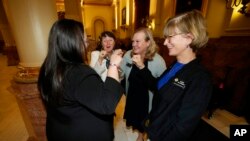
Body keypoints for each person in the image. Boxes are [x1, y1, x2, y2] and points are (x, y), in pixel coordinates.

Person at [37, 19, 124, 141]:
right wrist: (113, 65)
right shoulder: (78, 72)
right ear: (73, 43)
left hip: (60, 130)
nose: (87, 44)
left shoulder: (47, 67)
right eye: (84, 41)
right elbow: (107, 103)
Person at [134, 10, 213, 141]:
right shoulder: (175, 65)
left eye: (170, 37)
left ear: (189, 37)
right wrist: (146, 131)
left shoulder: (200, 79)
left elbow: (182, 128)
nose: (165, 43)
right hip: (153, 129)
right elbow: (158, 88)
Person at [120, 27, 166, 141]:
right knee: (136, 121)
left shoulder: (158, 61)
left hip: (147, 102)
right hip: (132, 97)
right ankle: (141, 134)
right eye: (133, 41)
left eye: (138, 41)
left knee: (144, 122)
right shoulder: (128, 55)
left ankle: (142, 136)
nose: (134, 44)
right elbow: (122, 74)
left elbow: (163, 87)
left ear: (148, 42)